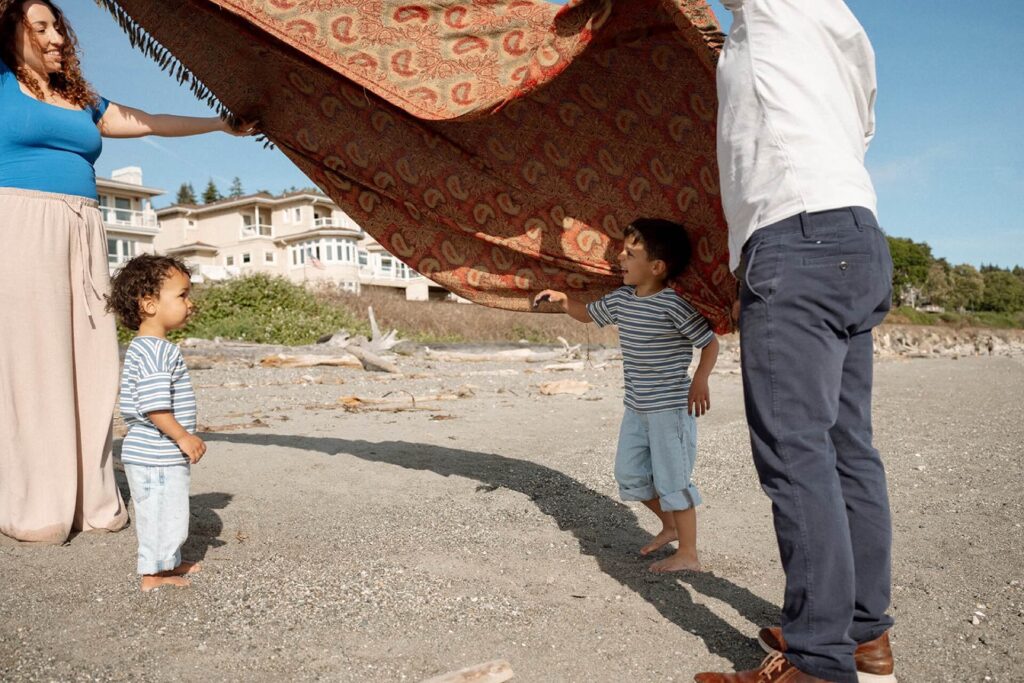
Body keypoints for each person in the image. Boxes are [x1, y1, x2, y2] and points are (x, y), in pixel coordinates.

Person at [0, 0, 253, 543]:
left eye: (59, 28)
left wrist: (219, 124)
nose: (56, 39)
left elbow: (149, 121)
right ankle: (35, 501)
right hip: (17, 223)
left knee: (93, 360)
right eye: (39, 27)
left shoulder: (80, 99)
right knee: (31, 359)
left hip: (85, 228)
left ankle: (91, 496)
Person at [695, 1, 896, 682]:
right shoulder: (836, 33)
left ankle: (817, 659)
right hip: (853, 233)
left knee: (797, 453)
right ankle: (862, 636)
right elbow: (860, 126)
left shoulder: (778, 9)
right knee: (846, 448)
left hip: (799, 234)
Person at [534, 219, 719, 573]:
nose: (619, 257)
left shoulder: (673, 306)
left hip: (670, 411)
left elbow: (709, 343)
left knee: (673, 480)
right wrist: (562, 301)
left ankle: (689, 553)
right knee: (630, 475)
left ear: (656, 267)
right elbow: (587, 314)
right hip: (636, 407)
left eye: (630, 254)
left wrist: (701, 380)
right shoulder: (621, 299)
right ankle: (669, 526)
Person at [106, 254, 205, 592]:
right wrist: (183, 437)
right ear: (149, 304)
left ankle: (168, 562)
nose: (189, 304)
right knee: (162, 513)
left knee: (170, 510)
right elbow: (154, 406)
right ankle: (153, 575)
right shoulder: (156, 352)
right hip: (156, 452)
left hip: (155, 452)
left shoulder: (149, 347)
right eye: (182, 295)